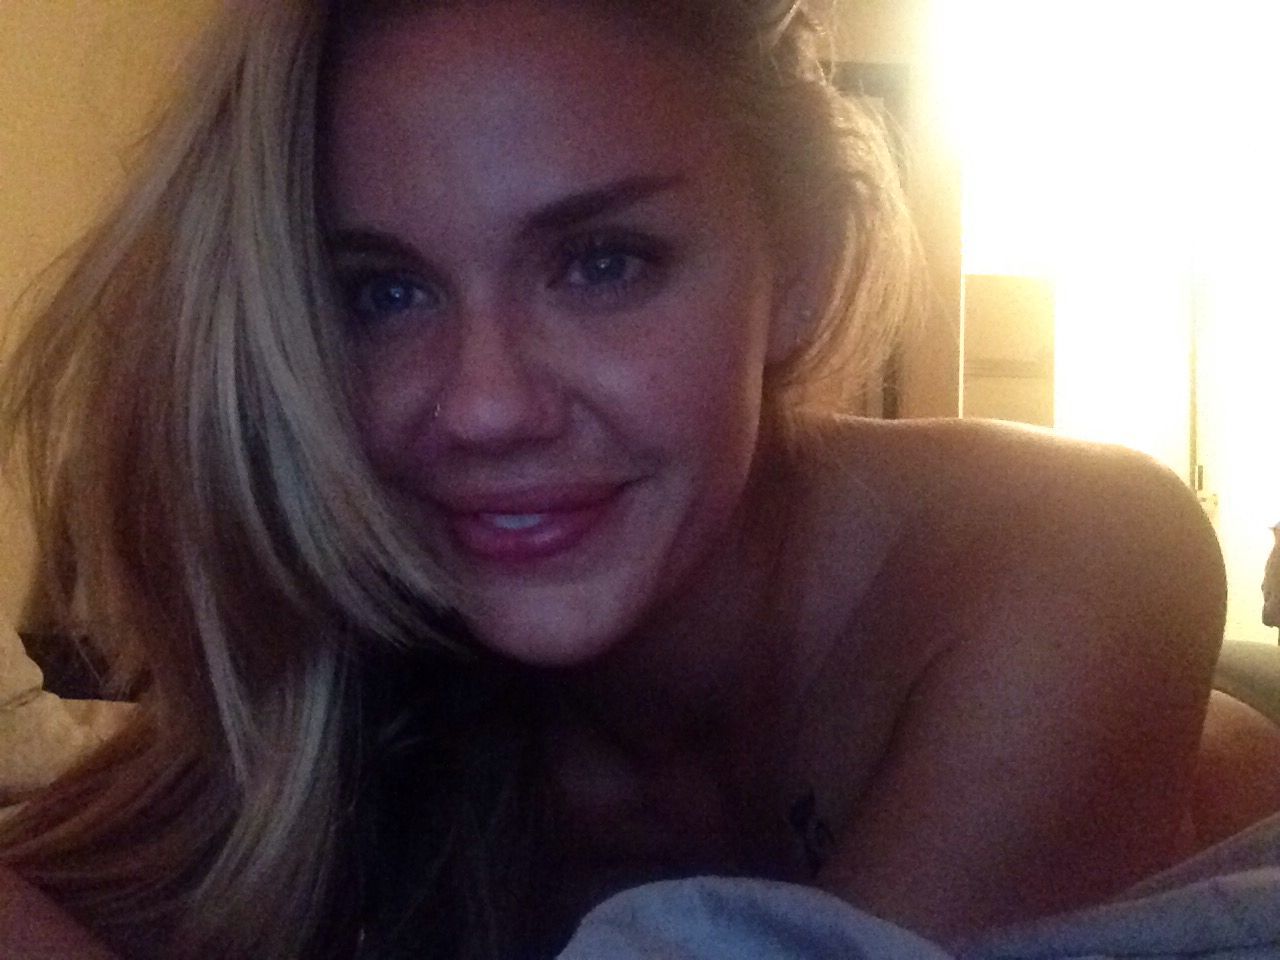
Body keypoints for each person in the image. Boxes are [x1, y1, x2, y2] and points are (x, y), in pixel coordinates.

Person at [0, 1, 1227, 958]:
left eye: (601, 263)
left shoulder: (1072, 561)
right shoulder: (370, 701)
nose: (482, 406)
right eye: (381, 292)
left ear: (801, 262)